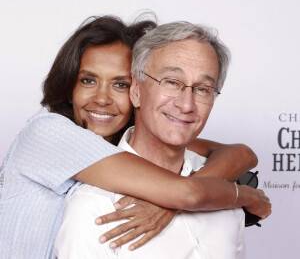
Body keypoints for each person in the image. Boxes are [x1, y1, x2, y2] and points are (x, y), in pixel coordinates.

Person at [0, 15, 263, 259]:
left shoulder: (115, 143)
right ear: (69, 84)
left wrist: (176, 204)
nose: (102, 99)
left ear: (135, 91)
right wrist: (247, 197)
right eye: (88, 80)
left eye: (120, 84)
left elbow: (239, 154)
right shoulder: (48, 134)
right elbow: (187, 192)